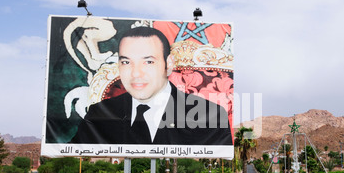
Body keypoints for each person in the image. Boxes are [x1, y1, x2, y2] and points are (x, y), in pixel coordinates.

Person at [70, 26, 232, 145]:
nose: (136, 73)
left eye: (148, 61)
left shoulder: (210, 116)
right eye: (126, 62)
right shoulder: (100, 114)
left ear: (168, 64)